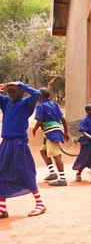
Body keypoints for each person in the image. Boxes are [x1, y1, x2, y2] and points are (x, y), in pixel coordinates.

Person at [0, 82, 47, 218]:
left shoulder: (26, 104)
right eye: (9, 92)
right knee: (1, 171)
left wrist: (20, 84)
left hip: (19, 143)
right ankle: (2, 208)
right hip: (6, 143)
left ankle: (40, 203)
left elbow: (37, 94)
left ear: (21, 92)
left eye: (14, 92)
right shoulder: (6, 102)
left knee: (25, 171)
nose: (11, 95)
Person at [32, 87, 70, 186]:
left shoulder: (40, 106)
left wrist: (35, 129)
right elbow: (62, 118)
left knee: (56, 154)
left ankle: (62, 178)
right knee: (43, 151)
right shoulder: (54, 104)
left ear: (40, 96)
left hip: (50, 131)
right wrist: (66, 132)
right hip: (56, 129)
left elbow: (39, 120)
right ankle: (53, 173)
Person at [73, 104, 91, 184]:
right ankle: (79, 173)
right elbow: (83, 132)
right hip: (87, 143)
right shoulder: (84, 121)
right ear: (87, 111)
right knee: (84, 158)